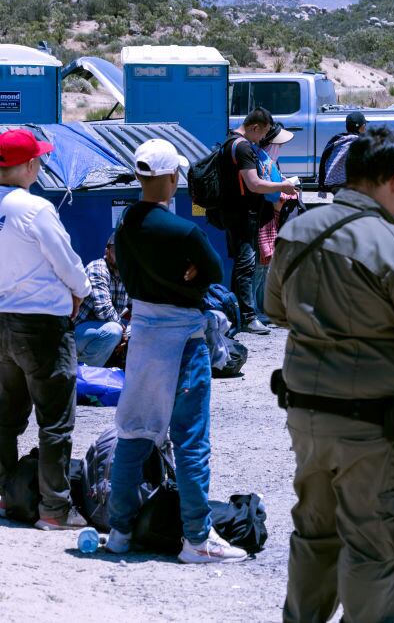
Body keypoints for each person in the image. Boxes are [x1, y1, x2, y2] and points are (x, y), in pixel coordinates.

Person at [265, 128, 394, 622]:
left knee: (314, 535)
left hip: (306, 413)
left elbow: (272, 307)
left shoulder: (298, 231)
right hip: (374, 424)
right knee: (375, 545)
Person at [106, 138, 242, 562]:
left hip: (144, 334)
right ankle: (197, 538)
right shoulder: (184, 230)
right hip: (183, 337)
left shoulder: (125, 226)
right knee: (190, 438)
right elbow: (216, 273)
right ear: (170, 177)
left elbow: (125, 272)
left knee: (134, 431)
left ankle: (119, 531)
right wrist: (193, 275)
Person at [0, 128, 90, 531]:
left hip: (2, 322)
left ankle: (6, 495)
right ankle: (54, 509)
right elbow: (66, 261)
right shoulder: (33, 209)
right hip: (40, 325)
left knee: (5, 417)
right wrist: (81, 291)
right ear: (30, 164)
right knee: (55, 420)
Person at [221, 108, 297, 335]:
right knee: (246, 266)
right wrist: (283, 186)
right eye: (262, 134)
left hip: (234, 214)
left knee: (241, 265)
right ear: (254, 127)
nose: (263, 139)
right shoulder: (243, 146)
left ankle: (237, 314)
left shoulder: (230, 143)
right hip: (243, 215)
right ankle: (247, 318)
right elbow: (254, 184)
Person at [255, 122, 298, 323]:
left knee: (262, 266)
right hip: (263, 219)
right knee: (261, 267)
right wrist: (286, 190)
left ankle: (260, 309)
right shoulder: (264, 162)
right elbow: (273, 198)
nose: (279, 149)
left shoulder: (261, 158)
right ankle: (257, 310)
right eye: (277, 145)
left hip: (263, 219)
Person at [74, 234, 130, 367]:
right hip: (75, 334)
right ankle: (83, 378)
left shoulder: (127, 274)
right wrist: (123, 333)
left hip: (98, 336)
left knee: (133, 334)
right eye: (117, 250)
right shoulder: (97, 268)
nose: (122, 255)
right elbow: (104, 311)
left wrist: (129, 333)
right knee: (113, 331)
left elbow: (138, 308)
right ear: (107, 251)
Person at [319, 111, 368, 192]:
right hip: (347, 184)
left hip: (332, 182)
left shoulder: (339, 139)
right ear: (362, 127)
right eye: (365, 125)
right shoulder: (358, 142)